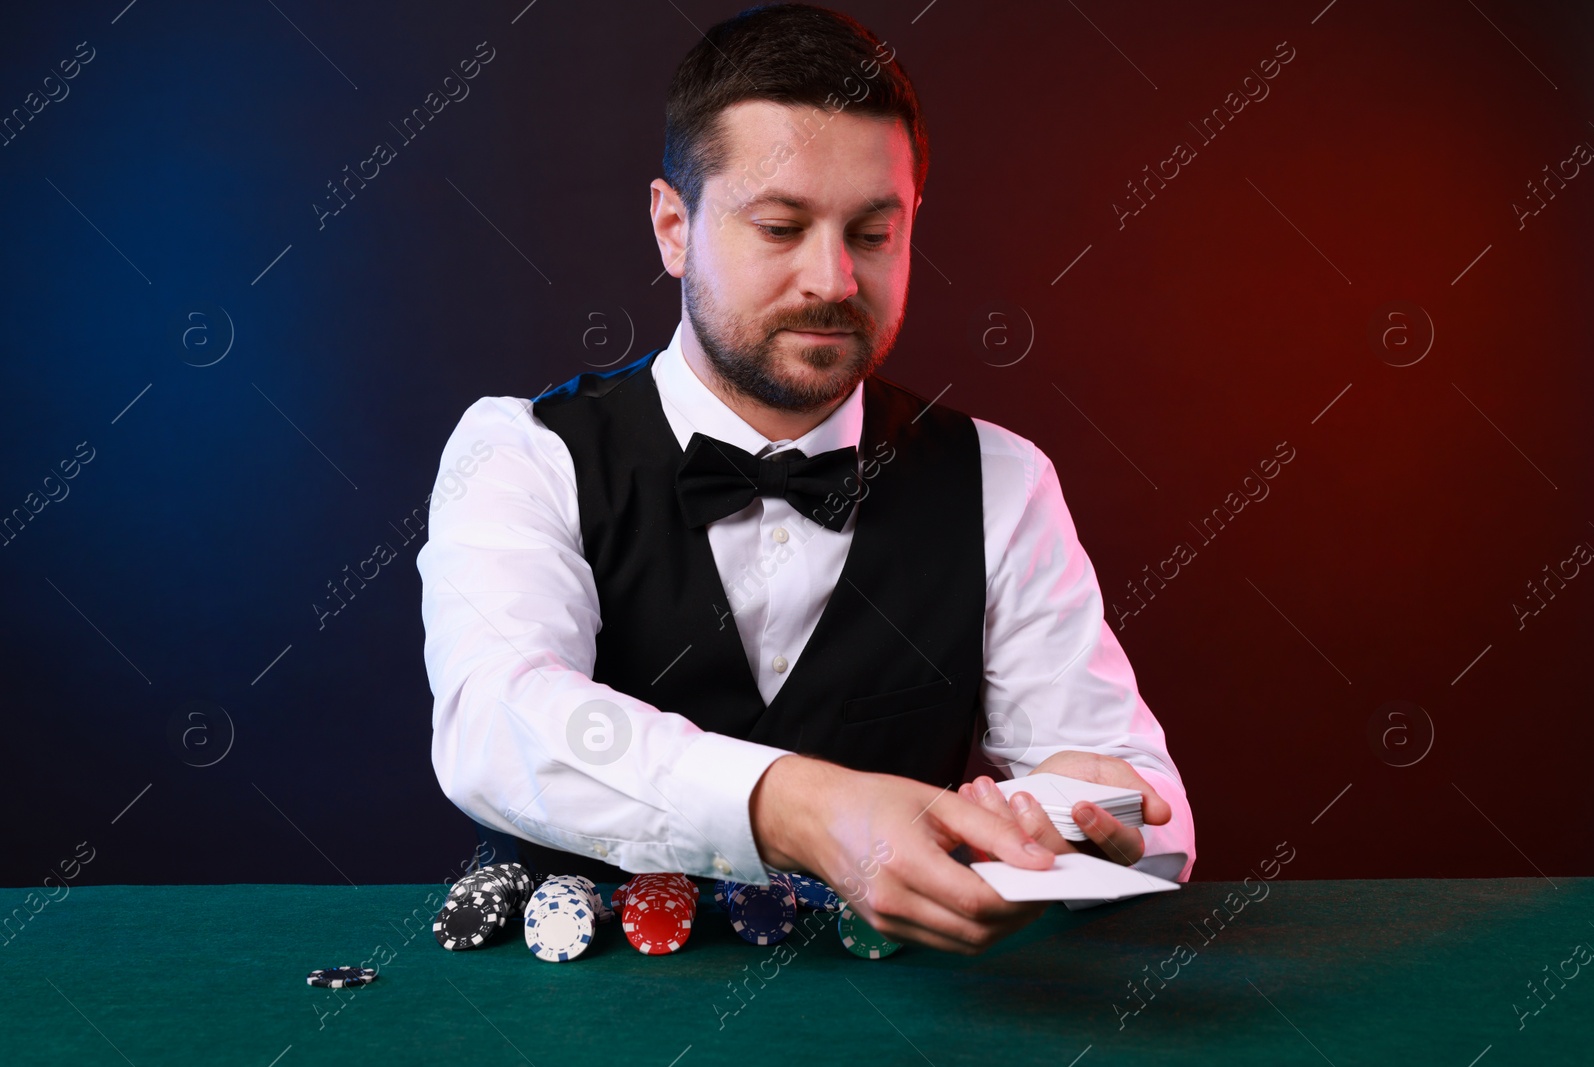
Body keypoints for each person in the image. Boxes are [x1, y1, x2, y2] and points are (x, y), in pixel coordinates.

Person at [417, 2, 1194, 956]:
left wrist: (1077, 819)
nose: (832, 278)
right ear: (673, 226)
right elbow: (495, 725)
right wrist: (803, 806)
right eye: (781, 227)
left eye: (873, 233)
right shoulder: (520, 451)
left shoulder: (1002, 477)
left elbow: (1152, 819)